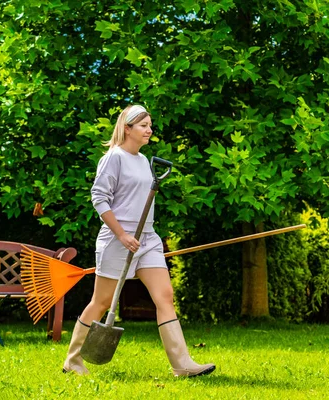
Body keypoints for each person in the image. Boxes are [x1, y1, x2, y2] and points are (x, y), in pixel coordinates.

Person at [63, 105, 215, 377]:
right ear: (128, 128)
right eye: (144, 125)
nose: (149, 129)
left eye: (150, 125)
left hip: (147, 238)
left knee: (165, 296)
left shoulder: (145, 160)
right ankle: (73, 360)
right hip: (117, 238)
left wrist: (141, 234)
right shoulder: (114, 158)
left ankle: (182, 365)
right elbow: (99, 198)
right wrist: (121, 234)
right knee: (101, 301)